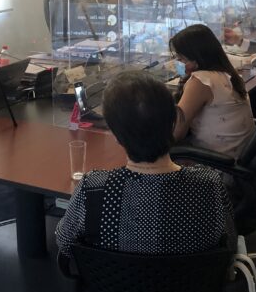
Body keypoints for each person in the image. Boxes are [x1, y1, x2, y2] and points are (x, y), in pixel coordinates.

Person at [55, 71, 236, 261]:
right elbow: (230, 246)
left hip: (112, 281)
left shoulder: (93, 189)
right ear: (173, 123)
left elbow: (65, 244)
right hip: (194, 280)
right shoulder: (209, 185)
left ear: (116, 136)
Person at [169, 25, 255, 159]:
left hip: (217, 163)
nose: (178, 63)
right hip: (241, 156)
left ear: (196, 58)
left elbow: (177, 133)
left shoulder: (201, 81)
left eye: (181, 59)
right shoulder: (227, 73)